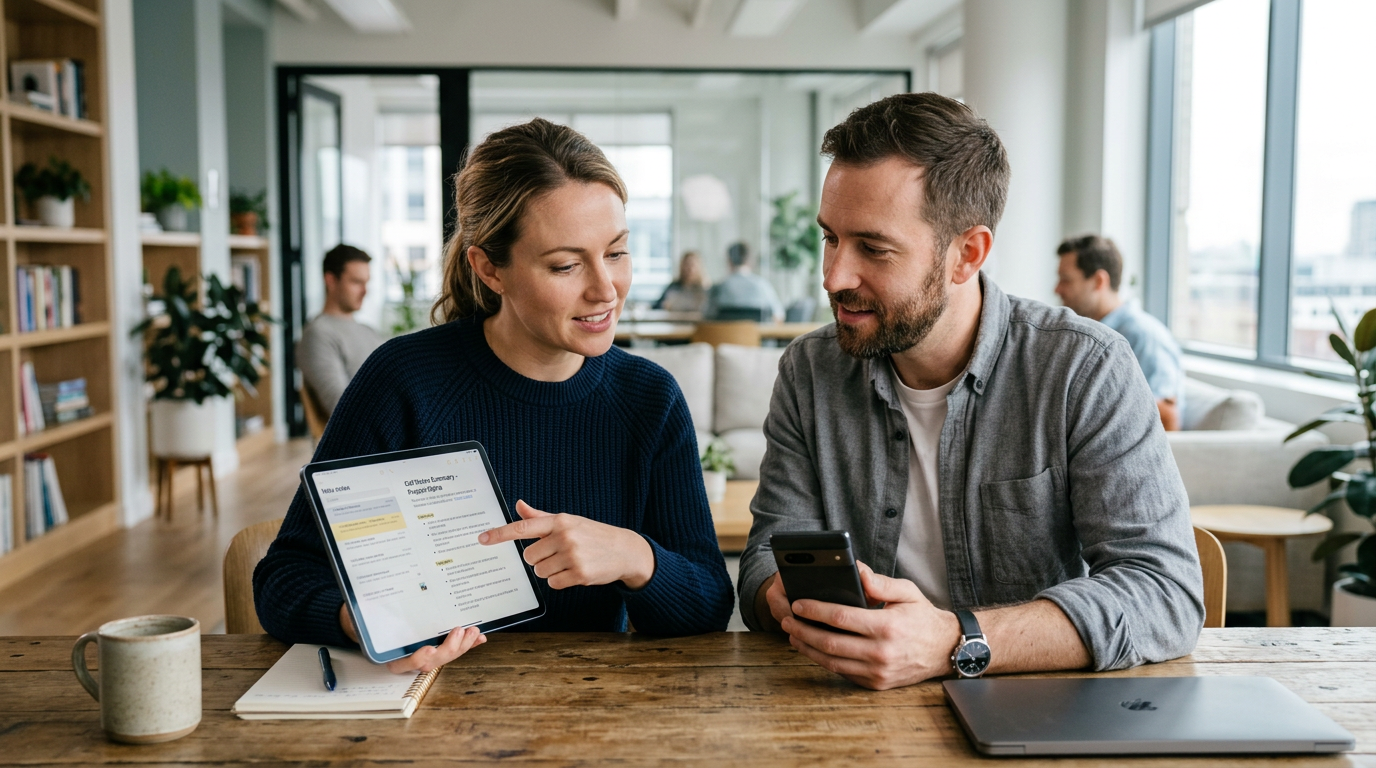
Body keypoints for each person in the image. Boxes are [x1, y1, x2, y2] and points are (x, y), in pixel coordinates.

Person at [738, 93, 1203, 691]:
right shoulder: (810, 371)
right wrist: (787, 593)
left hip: (1037, 708)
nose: (833, 276)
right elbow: (758, 567)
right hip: (851, 707)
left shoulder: (1084, 368)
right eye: (830, 238)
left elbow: (1164, 592)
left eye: (872, 248)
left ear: (967, 254)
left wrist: (955, 640)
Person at [255, 118, 734, 673]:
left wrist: (636, 557)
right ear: (489, 269)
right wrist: (370, 624)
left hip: (595, 714)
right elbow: (284, 577)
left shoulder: (650, 398)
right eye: (566, 264)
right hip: (432, 714)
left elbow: (709, 603)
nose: (606, 289)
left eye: (618, 253)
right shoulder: (403, 382)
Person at [1055, 235, 1185, 431]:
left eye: (1066, 280)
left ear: (1099, 281)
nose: (1057, 289)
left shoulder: (1143, 337)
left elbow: (1166, 419)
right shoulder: (1085, 333)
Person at [296, 244, 385, 418]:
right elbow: (341, 407)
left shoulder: (367, 331)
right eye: (356, 282)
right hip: (373, 436)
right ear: (331, 281)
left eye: (366, 283)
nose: (365, 291)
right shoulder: (318, 334)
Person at [703, 242, 784, 322]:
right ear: (750, 261)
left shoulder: (719, 287)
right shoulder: (762, 285)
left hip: (723, 335)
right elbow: (778, 315)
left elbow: (707, 315)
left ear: (729, 261)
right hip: (756, 334)